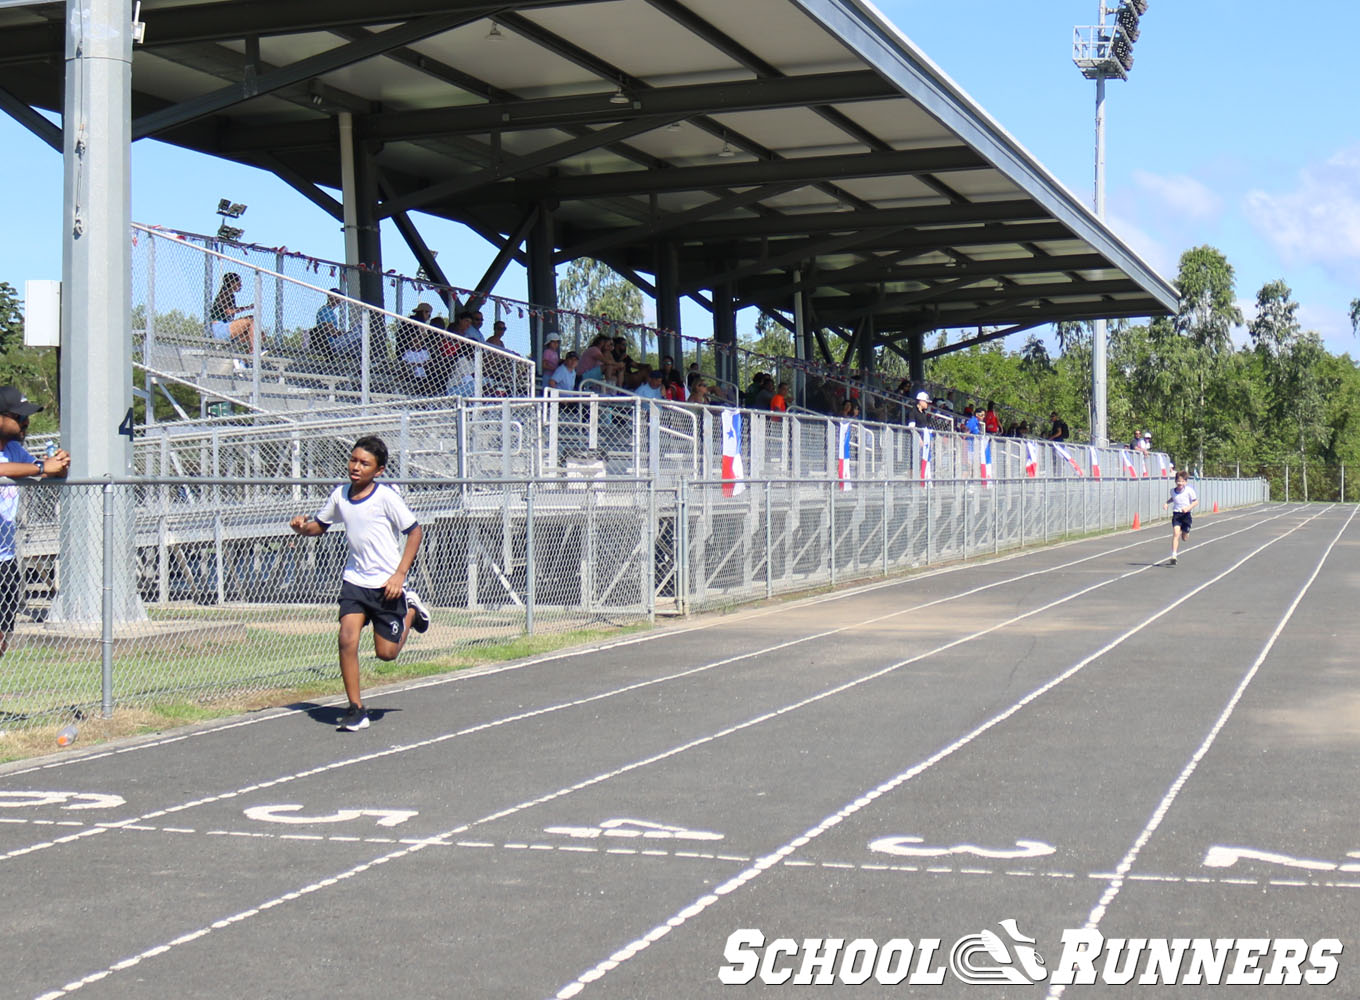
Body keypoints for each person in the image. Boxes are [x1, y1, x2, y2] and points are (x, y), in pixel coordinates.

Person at [288, 436, 430, 732]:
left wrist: (399, 574)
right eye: (353, 460)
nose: (356, 466)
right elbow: (320, 526)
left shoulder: (386, 497)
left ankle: (411, 611)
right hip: (354, 580)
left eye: (364, 463)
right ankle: (356, 709)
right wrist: (303, 528)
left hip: (386, 584)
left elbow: (414, 532)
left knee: (386, 654)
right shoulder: (340, 495)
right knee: (347, 638)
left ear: (378, 471)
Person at [0, 387, 71, 660]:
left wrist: (57, 464)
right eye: (19, 418)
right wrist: (42, 468)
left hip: (5, 561)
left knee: (3, 638)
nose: (25, 424)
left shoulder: (16, 449)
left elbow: (41, 469)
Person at [208, 272, 255, 351]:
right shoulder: (224, 294)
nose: (241, 285)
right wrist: (248, 307)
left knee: (260, 335)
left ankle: (246, 358)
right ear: (232, 283)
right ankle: (253, 352)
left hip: (228, 326)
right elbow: (229, 311)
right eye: (239, 282)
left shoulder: (231, 296)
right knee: (251, 319)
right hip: (219, 328)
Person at [1162, 470, 1199, 566]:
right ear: (1175, 481)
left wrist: (1187, 508)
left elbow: (1195, 502)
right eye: (1178, 481)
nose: (1180, 483)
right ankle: (1174, 556)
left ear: (1185, 482)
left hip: (1186, 515)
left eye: (1182, 481)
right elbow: (1173, 498)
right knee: (1175, 534)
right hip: (1177, 515)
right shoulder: (1172, 491)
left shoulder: (1189, 491)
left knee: (1185, 538)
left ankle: (1186, 531)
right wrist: (1166, 503)